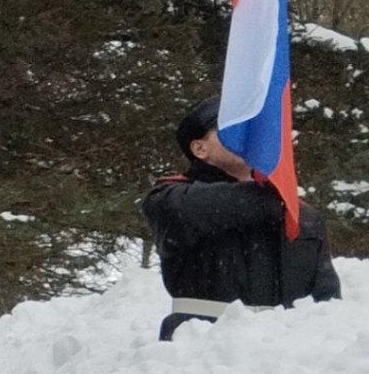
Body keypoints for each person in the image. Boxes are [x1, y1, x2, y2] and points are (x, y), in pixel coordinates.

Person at [141, 105, 339, 340]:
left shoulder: (302, 216)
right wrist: (278, 195)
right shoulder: (169, 199)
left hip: (286, 355)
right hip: (201, 349)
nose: (249, 135)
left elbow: (327, 305)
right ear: (200, 148)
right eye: (233, 128)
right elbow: (218, 205)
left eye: (254, 128)